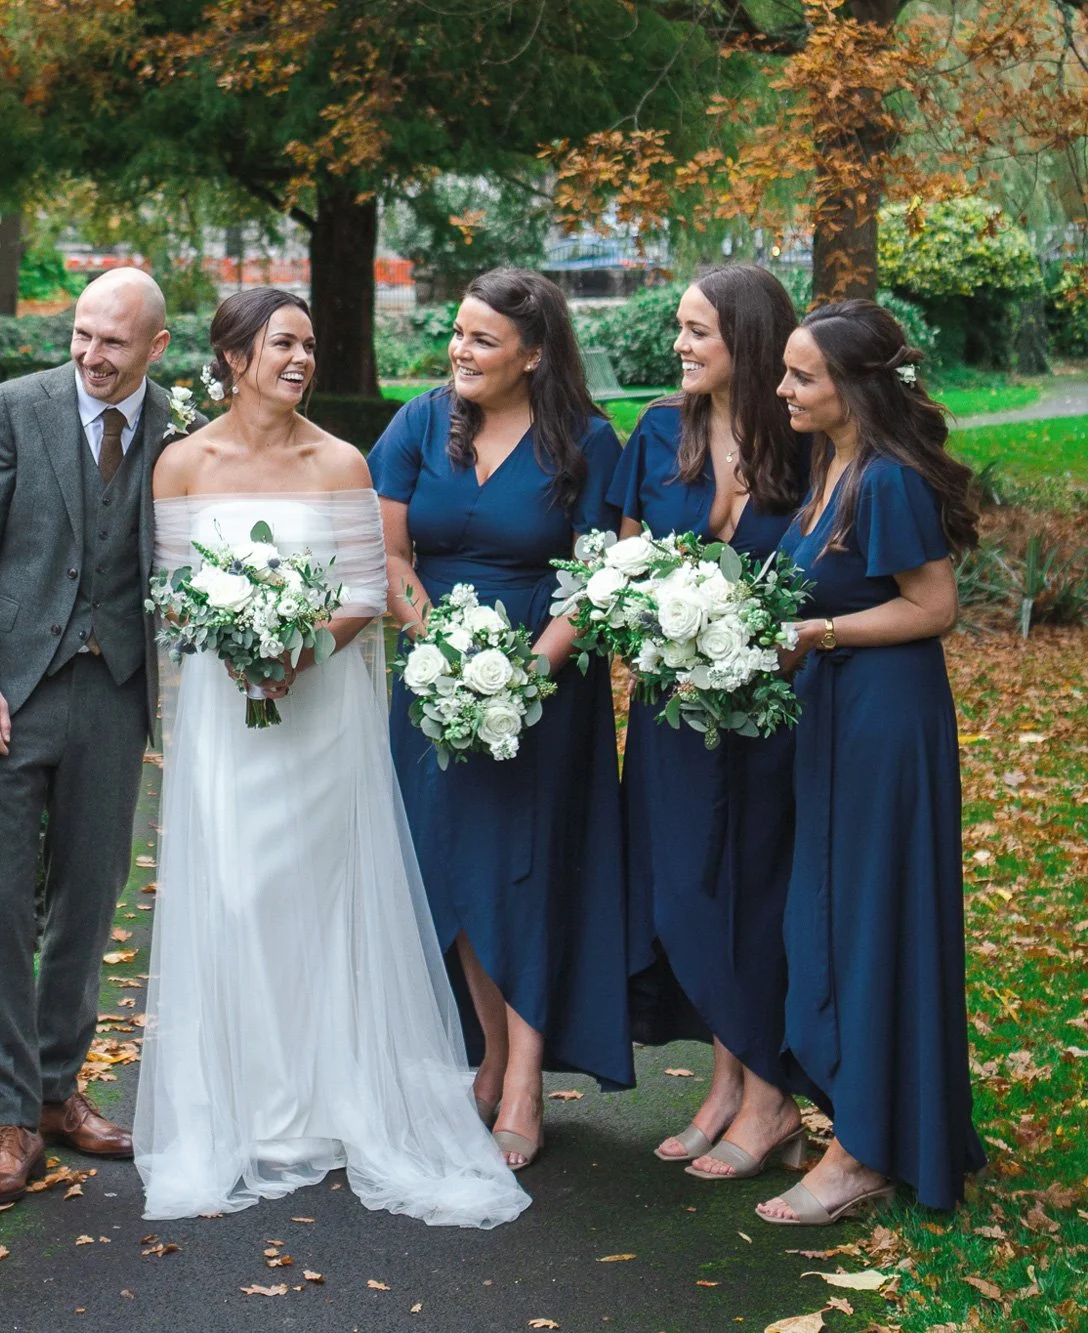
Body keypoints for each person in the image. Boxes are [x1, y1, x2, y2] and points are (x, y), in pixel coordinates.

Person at [136, 288, 530, 1227]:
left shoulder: (340, 459)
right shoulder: (182, 466)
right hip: (228, 727)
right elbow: (174, 597)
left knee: (321, 895)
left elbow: (364, 592)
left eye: (310, 343)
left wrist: (298, 649)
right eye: (284, 344)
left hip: (320, 721)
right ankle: (252, 1104)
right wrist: (237, 648)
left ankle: (329, 1099)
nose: (302, 359)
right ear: (234, 358)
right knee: (239, 893)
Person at [369, 267, 632, 1172]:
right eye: (457, 332)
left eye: (482, 339)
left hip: (543, 678)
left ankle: (524, 1079)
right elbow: (390, 551)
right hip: (434, 677)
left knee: (525, 870)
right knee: (456, 869)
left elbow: (605, 575)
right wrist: (433, 643)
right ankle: (489, 1053)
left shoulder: (588, 442)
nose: (460, 350)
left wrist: (528, 670)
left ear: (534, 351)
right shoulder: (417, 422)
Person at [0, 268, 179, 1205]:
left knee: (89, 900)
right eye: (82, 334)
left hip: (114, 692)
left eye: (113, 342)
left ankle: (54, 1091)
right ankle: (8, 1120)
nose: (90, 355)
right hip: (9, 693)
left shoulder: (177, 430)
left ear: (156, 347)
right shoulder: (13, 408)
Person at [758, 298, 985, 1225]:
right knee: (834, 917)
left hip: (886, 724)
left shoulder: (887, 480)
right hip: (836, 713)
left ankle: (864, 1153)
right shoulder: (831, 465)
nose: (782, 388)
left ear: (853, 386)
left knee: (873, 919)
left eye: (801, 376)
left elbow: (934, 608)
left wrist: (821, 630)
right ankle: (870, 1119)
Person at [610, 266, 809, 1179]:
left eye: (698, 331)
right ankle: (727, 1086)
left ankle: (763, 1098)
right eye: (681, 330)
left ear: (750, 340)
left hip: (771, 717)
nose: (680, 345)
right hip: (671, 713)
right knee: (684, 887)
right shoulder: (657, 431)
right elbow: (621, 573)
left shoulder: (803, 442)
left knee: (757, 893)